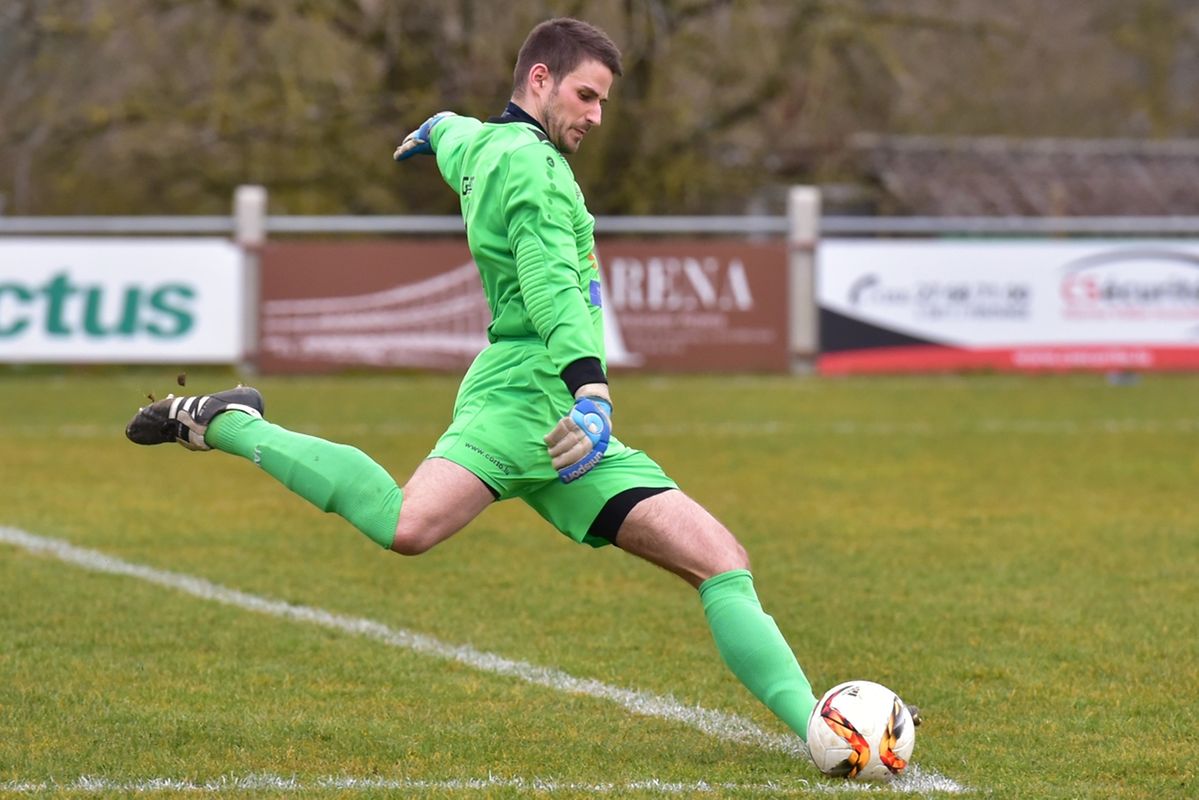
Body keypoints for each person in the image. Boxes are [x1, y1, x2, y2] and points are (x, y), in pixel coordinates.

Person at [126, 17, 821, 747]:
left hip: (559, 424)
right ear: (540, 80)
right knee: (406, 524)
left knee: (720, 560)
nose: (595, 116)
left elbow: (457, 135)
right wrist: (592, 391)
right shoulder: (538, 171)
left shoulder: (484, 143)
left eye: (604, 103)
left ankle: (817, 728)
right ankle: (229, 420)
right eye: (586, 96)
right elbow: (551, 286)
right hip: (533, 401)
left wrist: (438, 128)